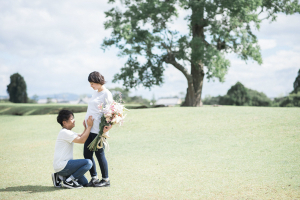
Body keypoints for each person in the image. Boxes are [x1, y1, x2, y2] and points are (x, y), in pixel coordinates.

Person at [51, 109, 111, 189]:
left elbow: (81, 135)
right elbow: (82, 140)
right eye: (71, 119)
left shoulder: (67, 132)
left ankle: (59, 176)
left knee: (84, 182)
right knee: (88, 163)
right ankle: (69, 181)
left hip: (63, 166)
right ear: (64, 122)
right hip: (63, 166)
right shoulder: (65, 133)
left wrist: (86, 127)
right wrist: (89, 126)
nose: (74, 120)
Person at [83, 71, 113, 187]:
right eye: (90, 83)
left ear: (98, 81)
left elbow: (111, 111)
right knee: (87, 154)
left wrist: (109, 125)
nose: (91, 85)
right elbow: (92, 109)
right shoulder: (95, 93)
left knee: (100, 154)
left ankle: (106, 180)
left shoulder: (106, 94)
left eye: (92, 83)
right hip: (89, 128)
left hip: (98, 130)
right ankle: (94, 178)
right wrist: (85, 120)